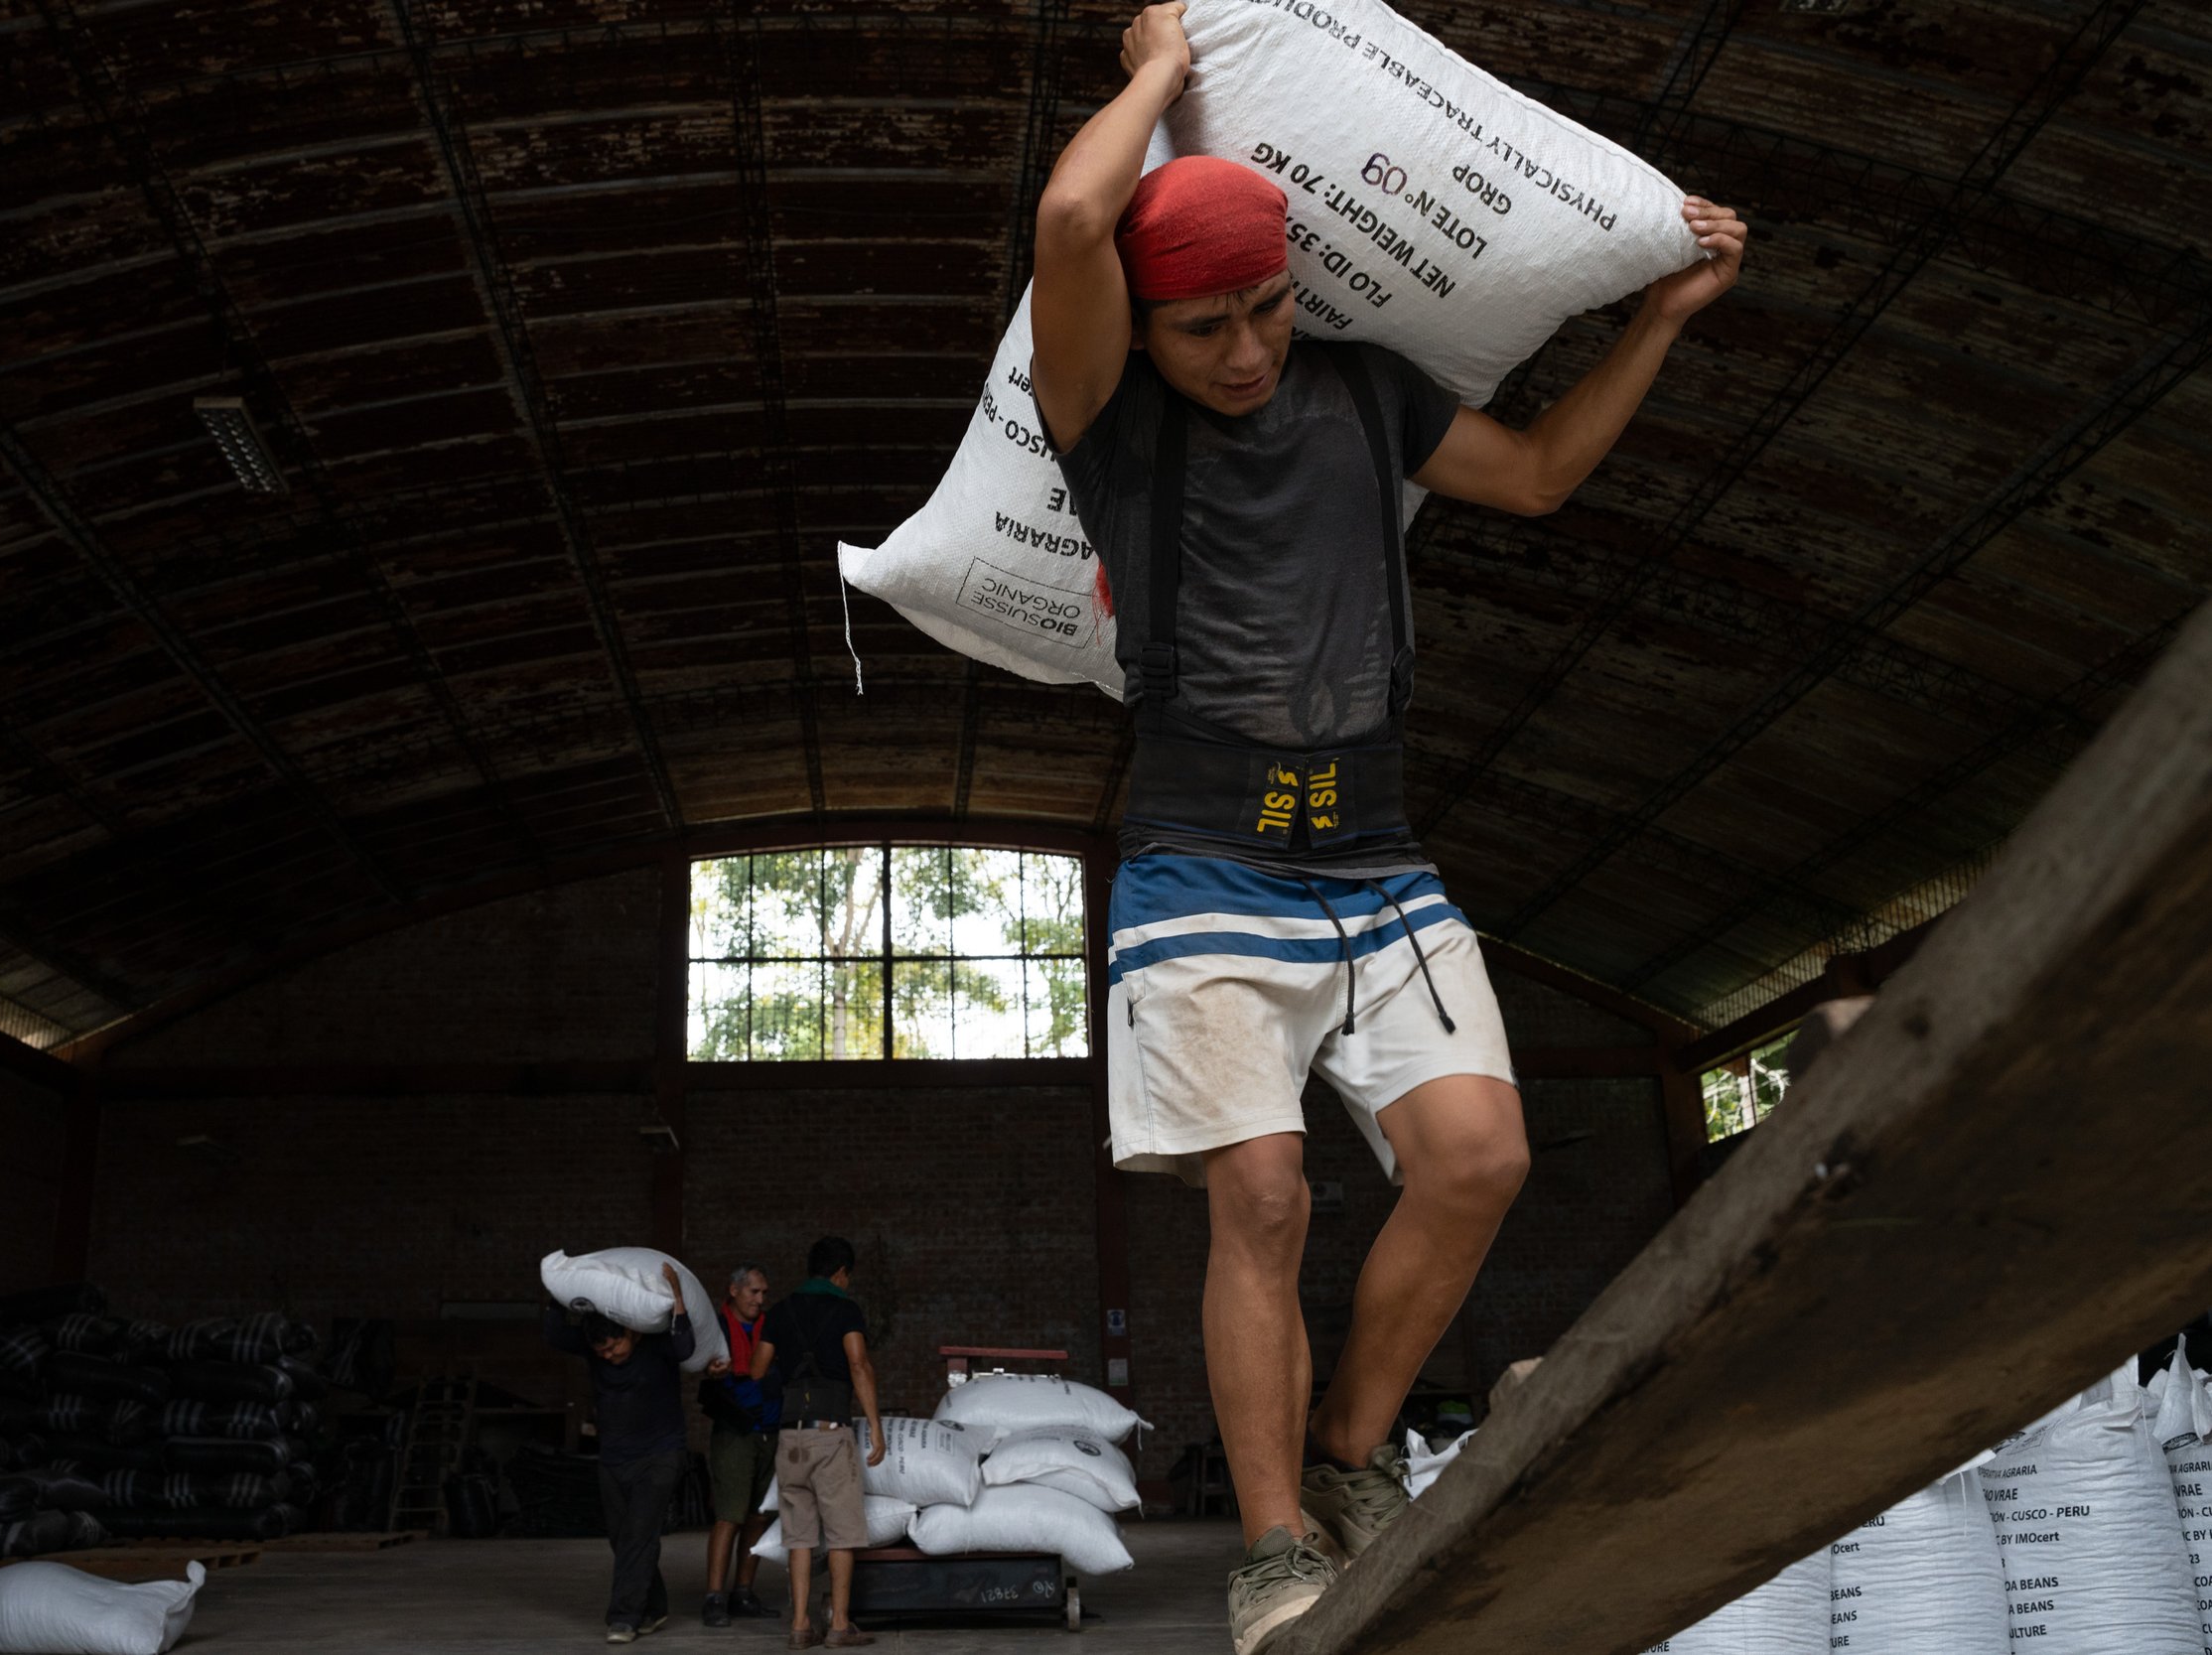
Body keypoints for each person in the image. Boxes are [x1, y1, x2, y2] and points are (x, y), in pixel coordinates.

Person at [1028, 7, 1748, 1651]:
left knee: (1481, 1157)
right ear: (1146, 323)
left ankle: (1350, 1454)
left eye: (1267, 306)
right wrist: (1160, 72)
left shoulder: (1368, 393)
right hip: (1201, 861)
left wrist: (1660, 316)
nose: (1245, 351)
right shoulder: (1110, 417)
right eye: (1204, 324)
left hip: (1374, 853)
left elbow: (1544, 473)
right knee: (1266, 1196)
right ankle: (1274, 1543)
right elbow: (1073, 216)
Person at [546, 1263, 716, 1644]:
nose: (608, 1355)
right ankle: (653, 1607)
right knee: (622, 1539)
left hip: (660, 1454)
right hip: (614, 1458)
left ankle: (623, 1618)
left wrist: (677, 1296)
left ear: (631, 1331)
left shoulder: (656, 1345)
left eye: (613, 1347)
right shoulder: (595, 1350)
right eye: (601, 1351)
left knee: (639, 1534)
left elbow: (686, 1346)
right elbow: (554, 1333)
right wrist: (558, 1294)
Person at [748, 1237, 886, 1650]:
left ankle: (800, 1626)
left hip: (790, 1435)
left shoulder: (780, 1312)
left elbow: (757, 1370)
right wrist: (875, 1424)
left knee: (799, 1536)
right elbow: (858, 1362)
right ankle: (839, 1626)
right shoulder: (845, 1310)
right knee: (842, 1533)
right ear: (841, 1272)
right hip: (830, 1432)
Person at [700, 1263, 780, 1627]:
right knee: (729, 1516)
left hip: (771, 1431)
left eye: (764, 1293)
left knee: (759, 1516)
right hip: (736, 1432)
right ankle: (714, 1597)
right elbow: (696, 1364)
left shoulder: (771, 1327)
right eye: (754, 1292)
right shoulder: (715, 1328)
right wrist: (710, 1371)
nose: (760, 1300)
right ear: (734, 1291)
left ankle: (743, 1593)